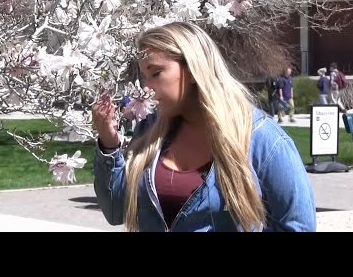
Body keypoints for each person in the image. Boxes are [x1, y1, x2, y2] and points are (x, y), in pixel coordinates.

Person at [92, 22, 316, 232]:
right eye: (144, 76)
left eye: (156, 73)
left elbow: (299, 226)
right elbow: (115, 210)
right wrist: (109, 145)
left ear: (191, 69)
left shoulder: (261, 137)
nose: (147, 88)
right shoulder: (150, 131)